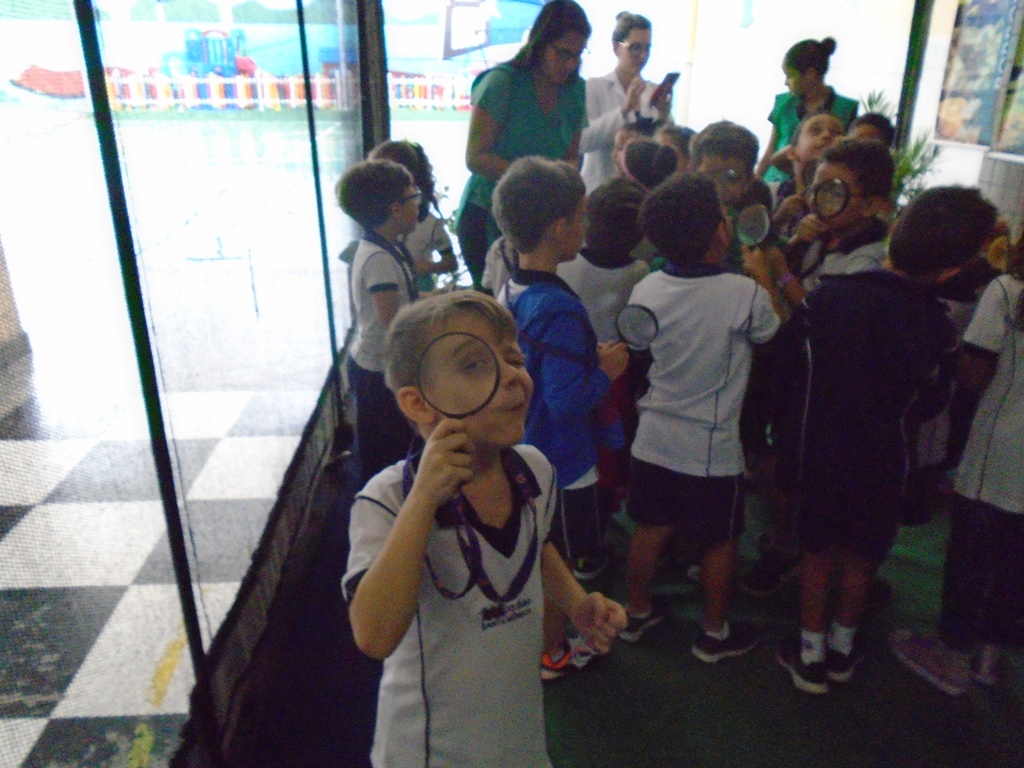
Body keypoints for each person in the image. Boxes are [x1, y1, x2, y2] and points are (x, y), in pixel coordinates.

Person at [344, 290, 626, 766]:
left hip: (520, 742)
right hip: (429, 753)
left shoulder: (535, 469)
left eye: (514, 358)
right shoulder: (388, 499)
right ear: (418, 403)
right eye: (475, 365)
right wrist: (422, 502)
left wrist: (576, 603)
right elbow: (374, 636)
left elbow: (536, 545)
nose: (513, 376)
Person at [772, 186, 996, 695]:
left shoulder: (829, 297)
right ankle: (843, 647)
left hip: (818, 447)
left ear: (895, 230)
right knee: (863, 553)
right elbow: (933, 402)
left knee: (816, 550)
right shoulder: (937, 324)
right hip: (885, 457)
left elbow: (788, 367)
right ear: (952, 270)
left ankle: (810, 654)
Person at [618, 175, 779, 663]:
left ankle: (637, 611)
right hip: (711, 447)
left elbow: (640, 349)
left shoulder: (646, 286)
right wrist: (766, 277)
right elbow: (772, 335)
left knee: (650, 527)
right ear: (721, 233)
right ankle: (713, 632)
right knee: (719, 540)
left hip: (652, 436)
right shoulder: (744, 293)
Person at [741, 139, 896, 597]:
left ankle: (800, 552)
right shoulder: (826, 235)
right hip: (794, 366)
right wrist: (796, 244)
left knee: (800, 468)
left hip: (822, 380)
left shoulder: (867, 259)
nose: (818, 200)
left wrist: (774, 276)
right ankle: (786, 541)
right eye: (816, 188)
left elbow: (821, 318)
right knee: (779, 460)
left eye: (834, 192)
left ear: (872, 204)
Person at [494, 157, 630, 674]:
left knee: (539, 555)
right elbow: (567, 401)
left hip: (528, 447)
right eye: (580, 217)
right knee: (559, 567)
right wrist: (607, 371)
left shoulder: (512, 288)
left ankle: (544, 645)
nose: (585, 227)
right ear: (558, 228)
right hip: (563, 463)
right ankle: (552, 652)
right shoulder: (558, 308)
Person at [890, 194, 1018, 698]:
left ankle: (952, 650)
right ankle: (990, 654)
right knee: (1018, 557)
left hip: (1001, 444)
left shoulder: (1008, 290)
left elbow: (974, 375)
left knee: (972, 552)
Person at [456, 0, 591, 289]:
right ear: (539, 43)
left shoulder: (575, 90)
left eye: (578, 55)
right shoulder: (502, 83)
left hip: (542, 218)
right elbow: (475, 157)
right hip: (488, 212)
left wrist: (564, 191)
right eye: (563, 53)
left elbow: (572, 158)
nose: (569, 64)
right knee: (493, 304)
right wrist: (536, 182)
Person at [558, 177, 650, 529]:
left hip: (571, 368)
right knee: (610, 447)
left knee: (576, 443)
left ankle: (580, 520)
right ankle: (604, 514)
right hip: (616, 373)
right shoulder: (639, 273)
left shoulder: (564, 265)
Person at [337, 159, 421, 485]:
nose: (419, 204)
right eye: (413, 197)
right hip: (377, 371)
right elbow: (392, 319)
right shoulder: (380, 259)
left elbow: (400, 301)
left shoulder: (383, 247)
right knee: (384, 454)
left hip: (376, 364)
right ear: (395, 209)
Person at [580, 11, 671, 192]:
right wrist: (623, 110)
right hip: (598, 188)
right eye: (635, 48)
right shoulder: (594, 87)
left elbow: (664, 150)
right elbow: (584, 142)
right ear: (616, 48)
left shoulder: (652, 93)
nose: (642, 56)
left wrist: (664, 114)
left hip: (640, 190)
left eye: (647, 48)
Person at [755, 37, 858, 183]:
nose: (785, 82)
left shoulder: (846, 108)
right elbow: (770, 151)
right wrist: (755, 181)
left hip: (821, 182)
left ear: (810, 74)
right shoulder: (783, 103)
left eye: (790, 76)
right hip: (776, 181)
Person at [369, 139, 457, 292]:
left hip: (420, 292)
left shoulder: (429, 223)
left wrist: (420, 267)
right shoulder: (373, 220)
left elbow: (451, 263)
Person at [690, 121, 774, 274]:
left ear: (748, 181)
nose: (718, 187)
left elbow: (776, 262)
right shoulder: (683, 220)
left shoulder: (750, 230)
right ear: (692, 172)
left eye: (731, 178)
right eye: (708, 176)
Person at [770, 113, 846, 242]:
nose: (827, 135)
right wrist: (778, 219)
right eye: (815, 131)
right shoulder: (772, 194)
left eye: (836, 133)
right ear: (792, 153)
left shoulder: (846, 202)